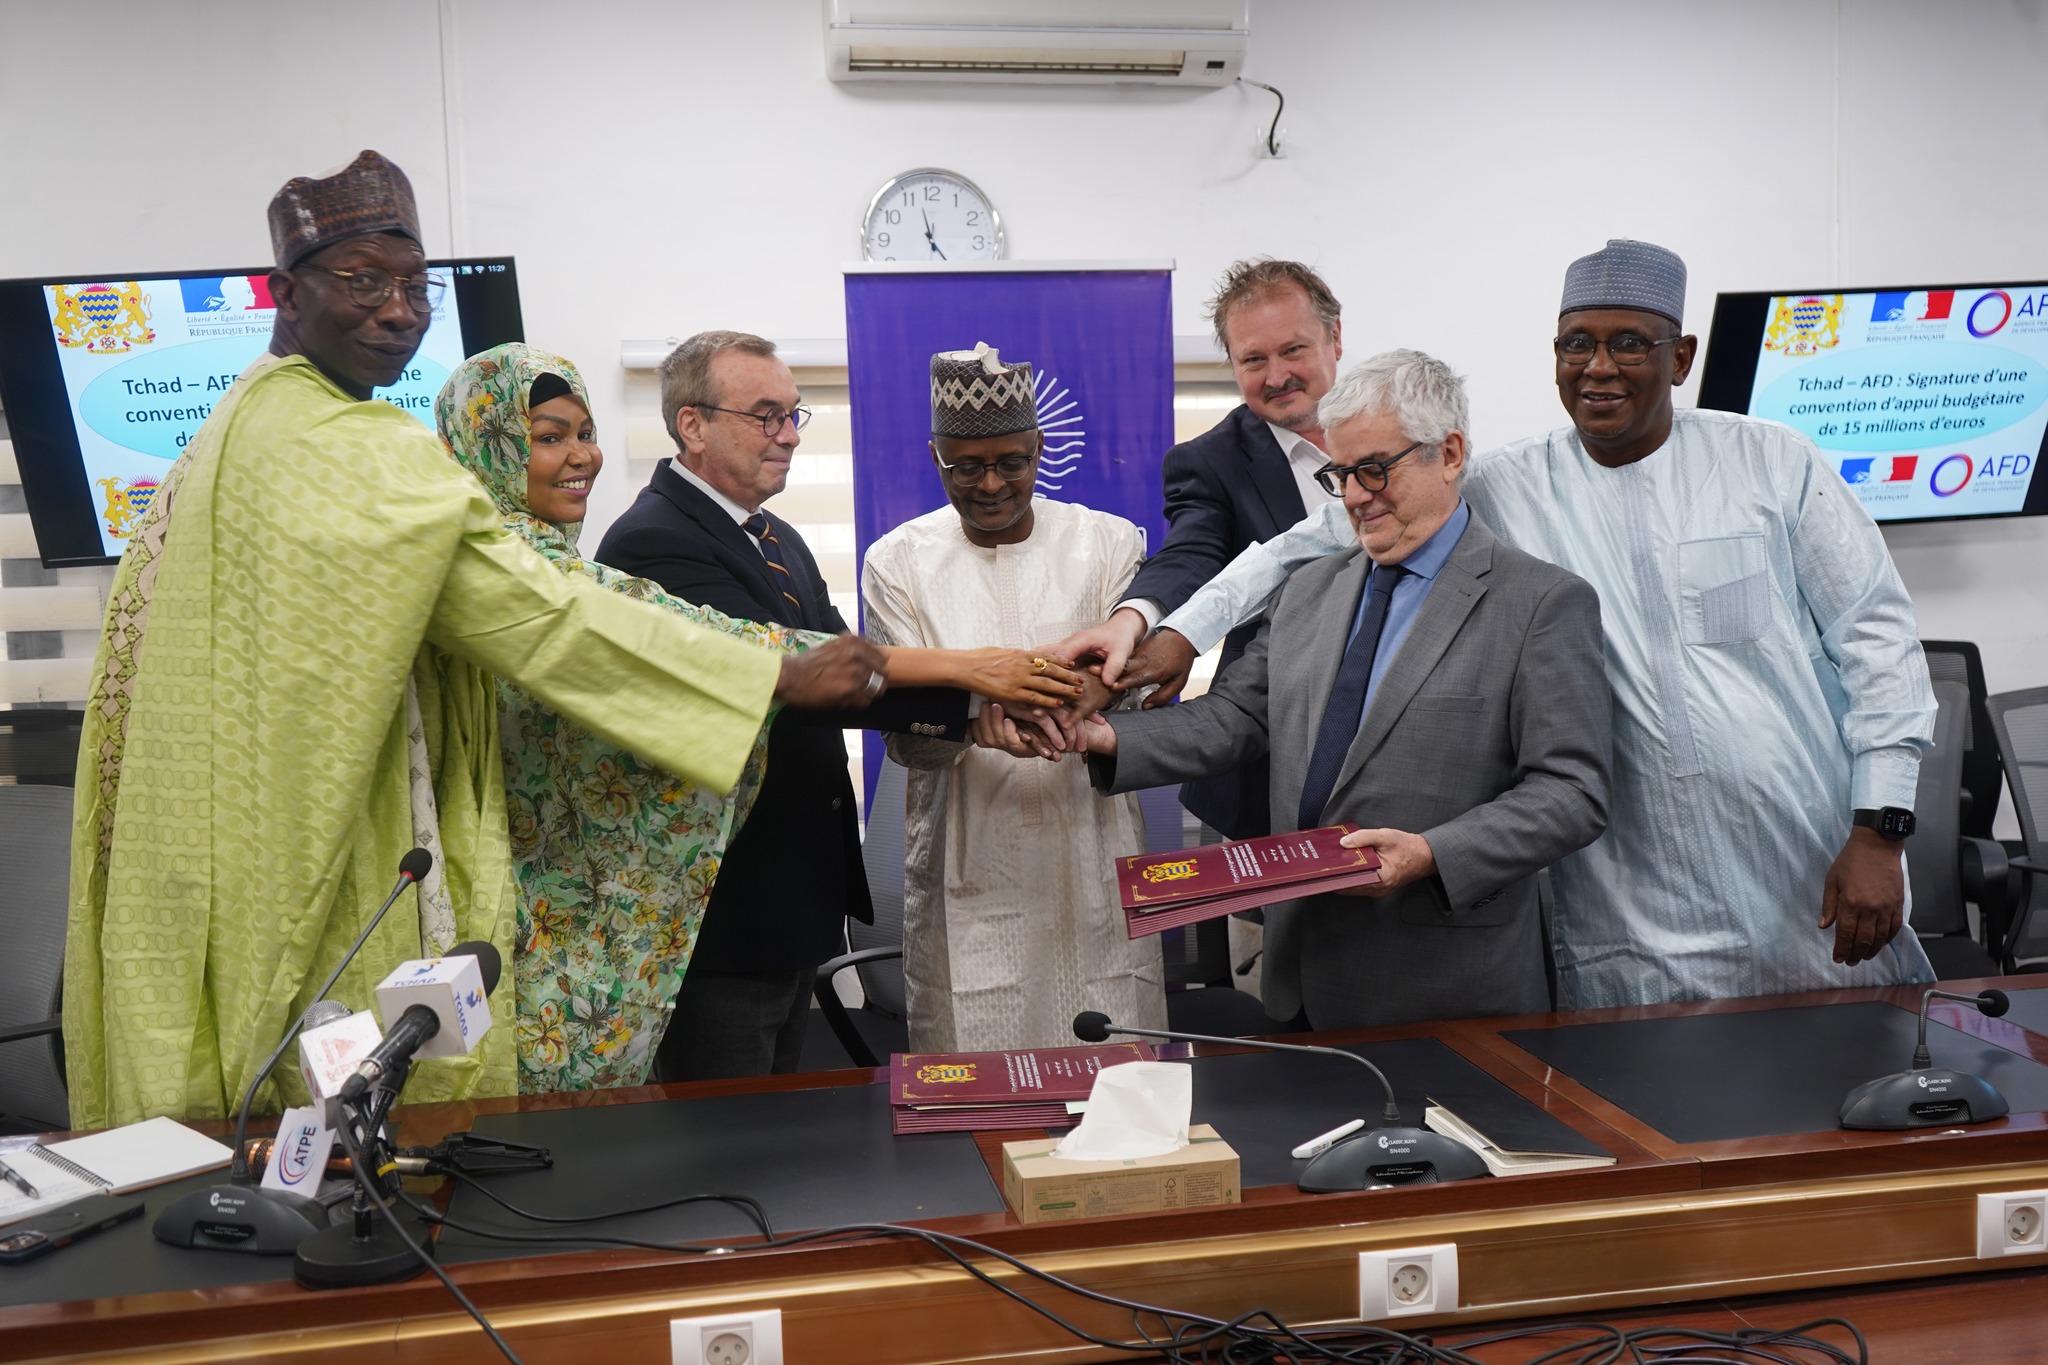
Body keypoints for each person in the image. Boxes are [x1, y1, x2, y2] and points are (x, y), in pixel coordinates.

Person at [63, 152, 884, 1128]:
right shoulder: (353, 452)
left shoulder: (232, 432)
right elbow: (554, 628)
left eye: (414, 284)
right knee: (362, 1124)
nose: (399, 310)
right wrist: (776, 674)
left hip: (229, 857)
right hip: (342, 859)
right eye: (362, 281)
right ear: (285, 293)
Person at [1117, 241, 1937, 1007]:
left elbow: (1877, 640)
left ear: (1679, 357)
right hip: (1621, 882)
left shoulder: (1773, 462)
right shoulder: (1506, 483)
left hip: (1795, 849)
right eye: (1576, 345)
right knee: (1648, 1107)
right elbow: (1297, 547)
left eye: (1630, 345)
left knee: (1833, 1081)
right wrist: (1182, 629)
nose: (1599, 368)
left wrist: (1881, 829)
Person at [1073, 351, 1610, 1029]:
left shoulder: (1540, 604)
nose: (1355, 496)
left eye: (1374, 470)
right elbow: (1239, 715)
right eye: (1341, 475)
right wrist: (1106, 736)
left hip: (1452, 991)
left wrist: (1433, 854)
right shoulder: (1308, 590)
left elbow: (1572, 790)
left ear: (1448, 455)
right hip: (1301, 980)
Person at [598, 332, 1082, 1078]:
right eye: (767, 416)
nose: (790, 436)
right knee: (731, 1151)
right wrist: (980, 671)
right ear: (691, 424)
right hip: (723, 909)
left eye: (795, 415)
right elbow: (807, 674)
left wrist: (985, 718)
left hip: (791, 901)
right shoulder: (652, 543)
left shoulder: (775, 536)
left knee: (787, 1142)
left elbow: (859, 683)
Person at [436, 343, 828, 1092]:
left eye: (585, 432)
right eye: (549, 436)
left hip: (723, 917)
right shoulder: (512, 578)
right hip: (548, 930)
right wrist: (965, 679)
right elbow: (743, 658)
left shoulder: (774, 541)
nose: (581, 454)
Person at [862, 343, 1168, 1051]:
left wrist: (1065, 702)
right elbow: (902, 730)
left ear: (1039, 448)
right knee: (979, 1090)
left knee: (1112, 1071)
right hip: (967, 859)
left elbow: (1137, 684)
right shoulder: (897, 561)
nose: (992, 483)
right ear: (935, 455)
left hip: (1091, 853)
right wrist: (972, 719)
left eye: (1012, 461)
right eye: (967, 465)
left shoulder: (1108, 543)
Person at [1051, 259, 1347, 838]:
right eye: (1253, 360)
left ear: (1335, 337)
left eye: (1294, 350)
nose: (1277, 375)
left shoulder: (1396, 436)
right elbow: (1191, 553)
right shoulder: (1210, 461)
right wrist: (1134, 620)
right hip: (1262, 770)